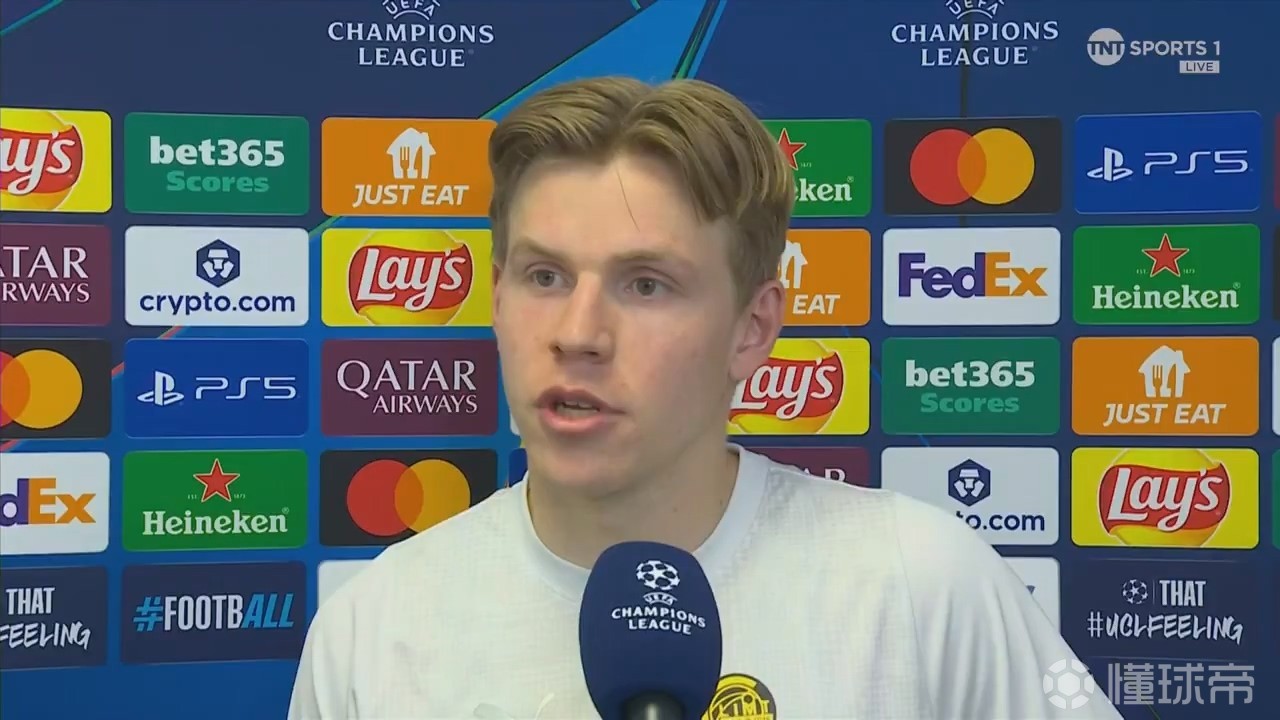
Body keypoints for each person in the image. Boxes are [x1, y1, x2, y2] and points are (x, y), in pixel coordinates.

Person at [288, 76, 1122, 720]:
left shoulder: (923, 584)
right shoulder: (373, 629)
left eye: (646, 284)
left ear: (752, 329)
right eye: (545, 277)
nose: (578, 333)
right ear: (498, 298)